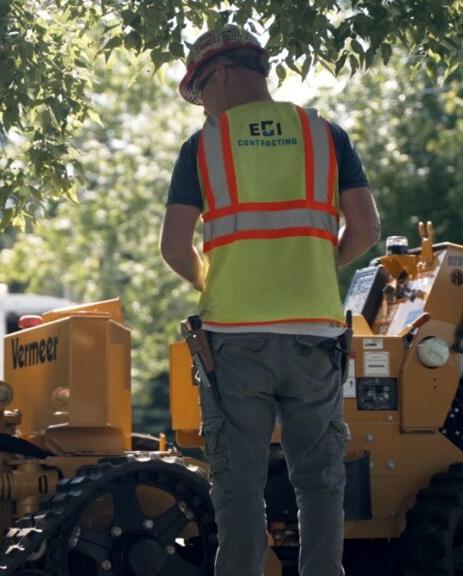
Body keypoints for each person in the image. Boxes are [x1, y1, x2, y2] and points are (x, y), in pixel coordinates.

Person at [160, 24, 381, 576]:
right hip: (315, 337)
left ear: (224, 74)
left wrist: (214, 283)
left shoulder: (203, 147)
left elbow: (173, 246)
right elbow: (367, 229)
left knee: (238, 488)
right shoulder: (326, 134)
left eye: (201, 90)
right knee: (321, 485)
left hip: (233, 343)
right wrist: (312, 269)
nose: (202, 105)